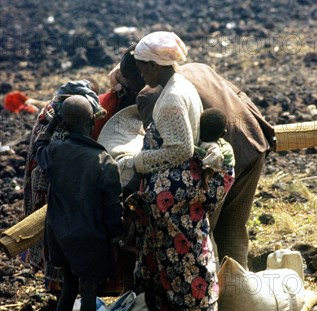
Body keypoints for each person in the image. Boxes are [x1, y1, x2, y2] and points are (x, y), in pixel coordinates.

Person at [124, 31, 235, 311]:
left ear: (157, 66)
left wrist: (138, 162)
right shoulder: (179, 85)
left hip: (177, 197)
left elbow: (180, 150)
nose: (142, 72)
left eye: (144, 66)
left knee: (190, 266)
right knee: (175, 261)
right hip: (176, 196)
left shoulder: (171, 99)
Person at [110, 48, 275, 270]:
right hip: (253, 143)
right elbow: (239, 96)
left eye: (130, 81)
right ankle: (238, 294)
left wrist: (129, 185)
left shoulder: (150, 95)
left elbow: (163, 149)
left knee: (201, 232)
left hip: (215, 165)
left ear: (147, 70)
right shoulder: (197, 68)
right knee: (233, 227)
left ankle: (209, 298)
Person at [33, 95, 123, 311]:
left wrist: (52, 124)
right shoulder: (103, 161)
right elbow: (112, 207)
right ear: (90, 123)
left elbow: (40, 145)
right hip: (90, 237)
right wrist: (116, 236)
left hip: (59, 235)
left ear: (65, 123)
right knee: (89, 288)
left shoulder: (55, 152)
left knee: (68, 288)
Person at [23, 79, 107, 294]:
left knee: (58, 258)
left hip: (54, 208)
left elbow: (41, 147)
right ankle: (60, 289)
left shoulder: (49, 118)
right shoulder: (65, 137)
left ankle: (61, 294)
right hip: (62, 204)